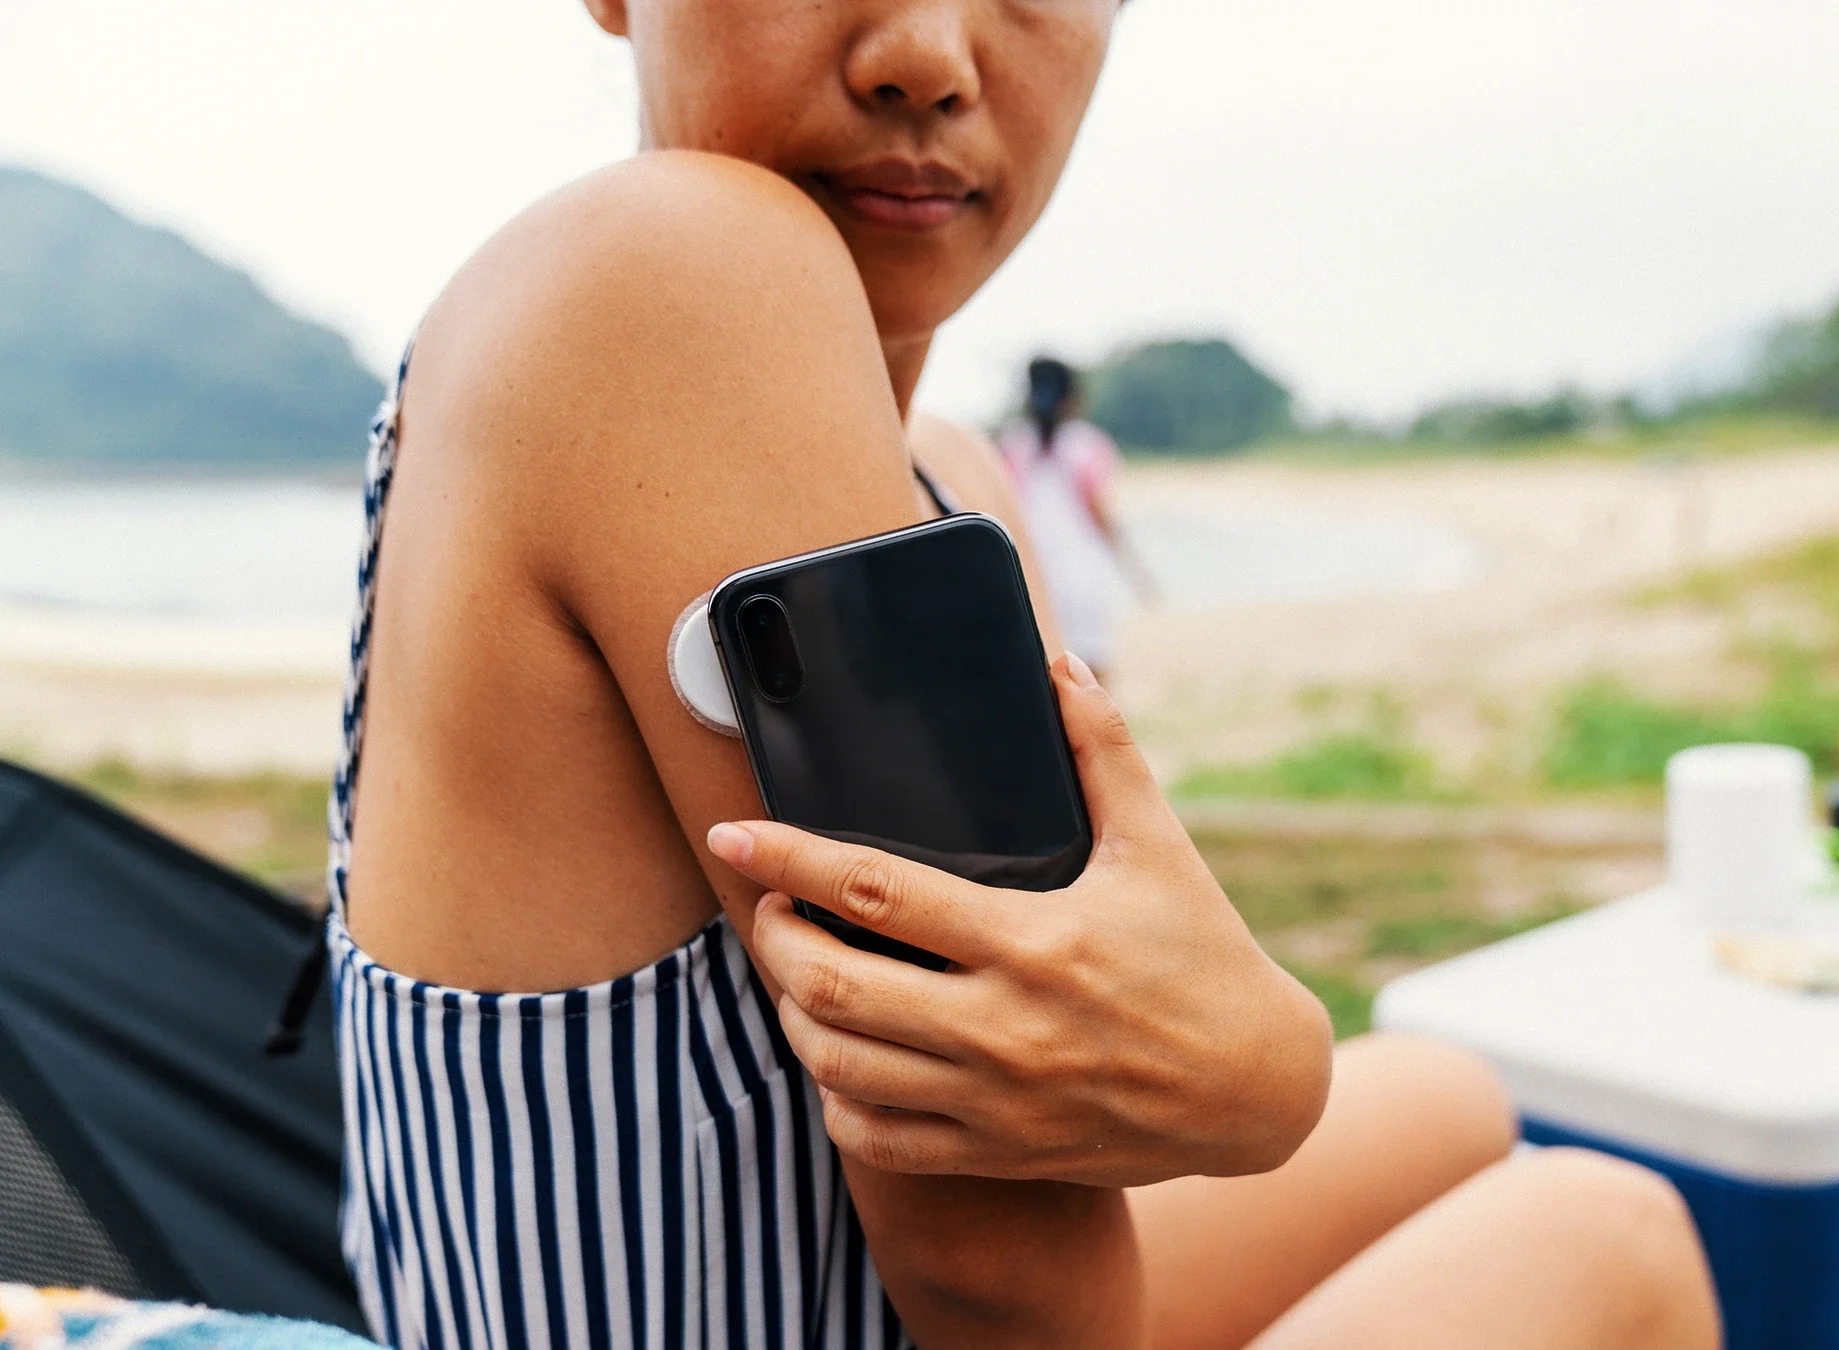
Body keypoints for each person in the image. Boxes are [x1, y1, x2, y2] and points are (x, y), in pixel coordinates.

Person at [331, 2, 1720, 1348]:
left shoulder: (958, 470)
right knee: (1611, 1235)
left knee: (1451, 1097)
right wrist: (1268, 1079)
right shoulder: (678, 266)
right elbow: (1019, 1300)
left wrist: (1251, 1073)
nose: (928, 56)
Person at [997, 358, 1143, 683]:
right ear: (1073, 398)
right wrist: (1136, 573)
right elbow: (1100, 514)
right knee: (1094, 681)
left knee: (1042, 677)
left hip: (1030, 575)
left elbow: (1005, 512)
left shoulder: (1013, 444)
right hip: (1081, 575)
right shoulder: (1088, 445)